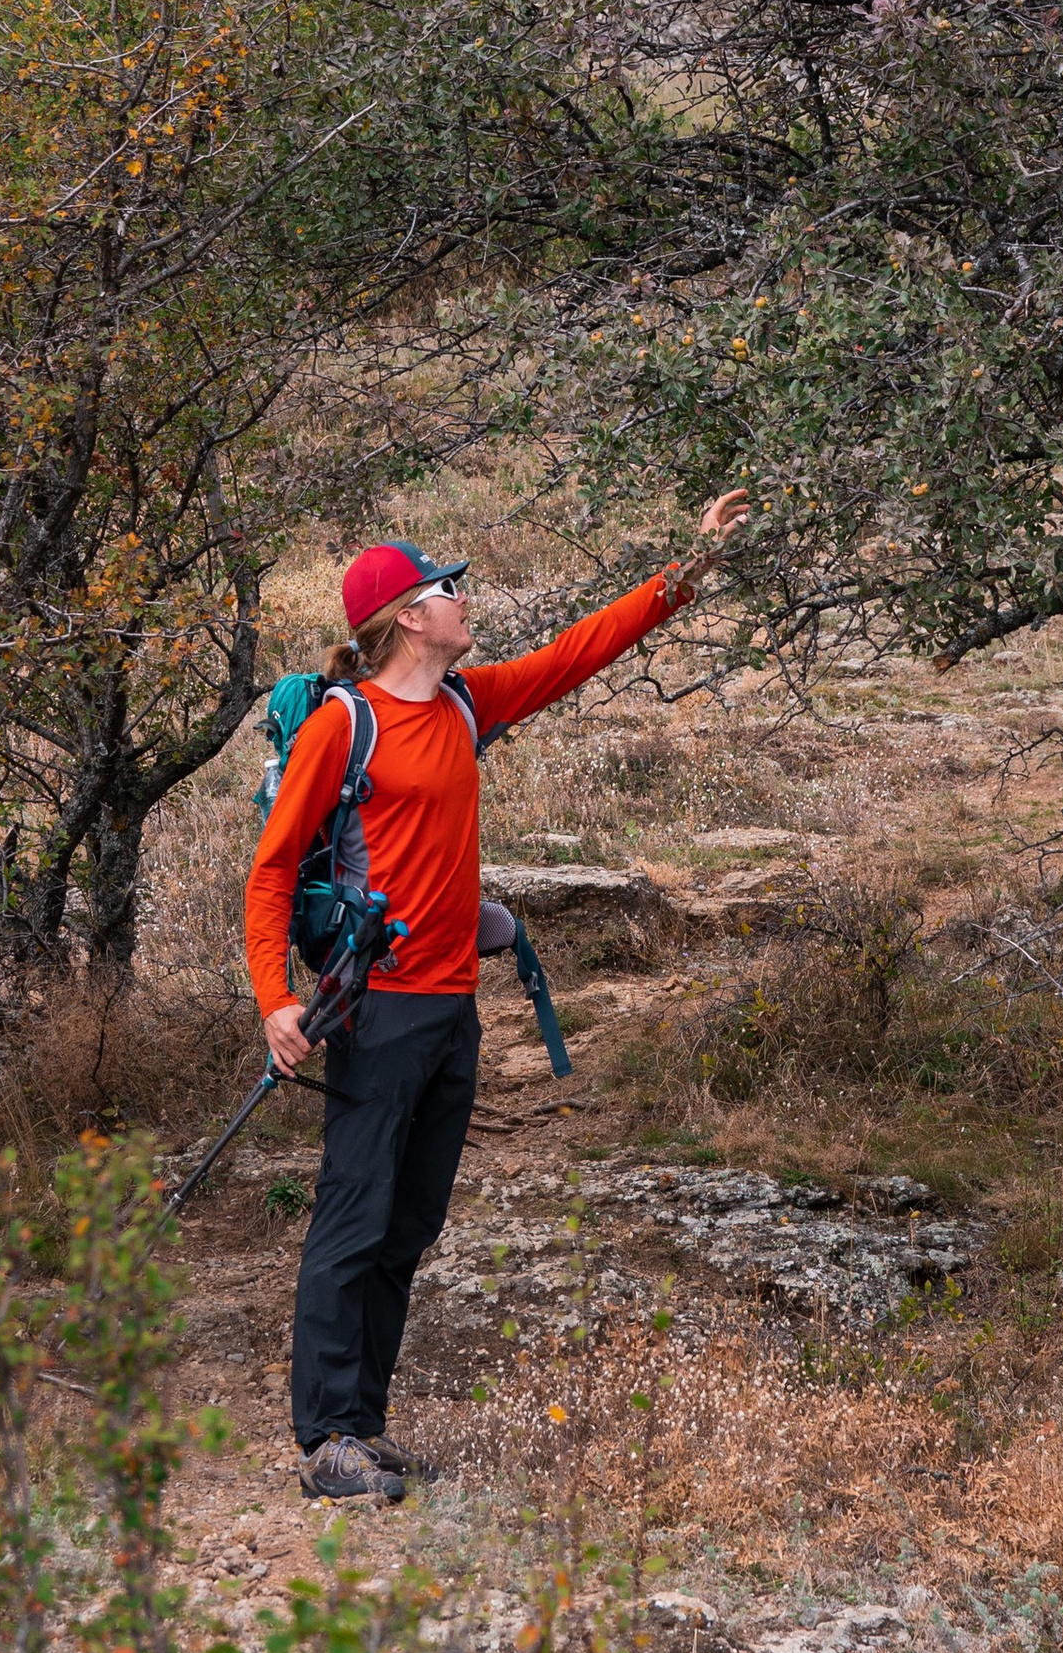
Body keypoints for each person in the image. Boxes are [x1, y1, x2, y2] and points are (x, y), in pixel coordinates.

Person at [246, 493, 750, 1501]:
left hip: (449, 1006)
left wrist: (681, 573)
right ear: (403, 620)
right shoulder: (345, 728)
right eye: (444, 589)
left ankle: (366, 1425)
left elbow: (576, 654)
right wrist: (274, 1001)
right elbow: (269, 874)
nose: (461, 599)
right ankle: (325, 1438)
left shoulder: (469, 703)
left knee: (410, 1221)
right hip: (373, 1007)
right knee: (353, 1213)